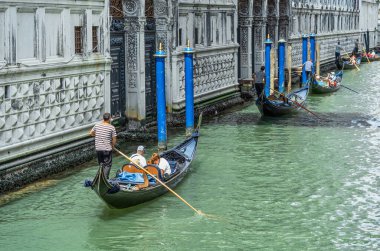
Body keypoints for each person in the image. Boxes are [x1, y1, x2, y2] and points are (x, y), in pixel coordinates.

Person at [90, 112, 117, 179]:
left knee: (101, 164)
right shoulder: (112, 127)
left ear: (103, 118)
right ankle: (105, 179)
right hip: (107, 149)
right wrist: (113, 146)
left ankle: (101, 178)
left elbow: (91, 133)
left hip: (98, 149)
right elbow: (114, 139)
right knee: (107, 165)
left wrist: (98, 135)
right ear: (109, 119)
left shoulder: (97, 125)